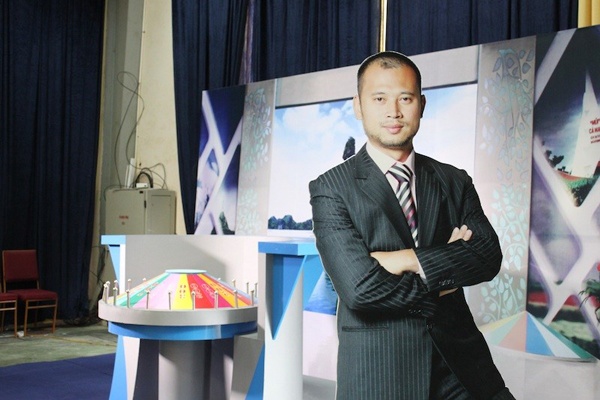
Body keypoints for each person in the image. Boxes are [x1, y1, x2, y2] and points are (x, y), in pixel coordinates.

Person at [309, 51, 515, 400]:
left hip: (465, 370)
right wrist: (444, 270)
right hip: (382, 373)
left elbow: (486, 256)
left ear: (422, 104)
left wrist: (405, 259)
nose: (394, 111)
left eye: (405, 98)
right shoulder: (331, 188)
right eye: (379, 99)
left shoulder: (454, 180)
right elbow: (359, 289)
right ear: (358, 106)